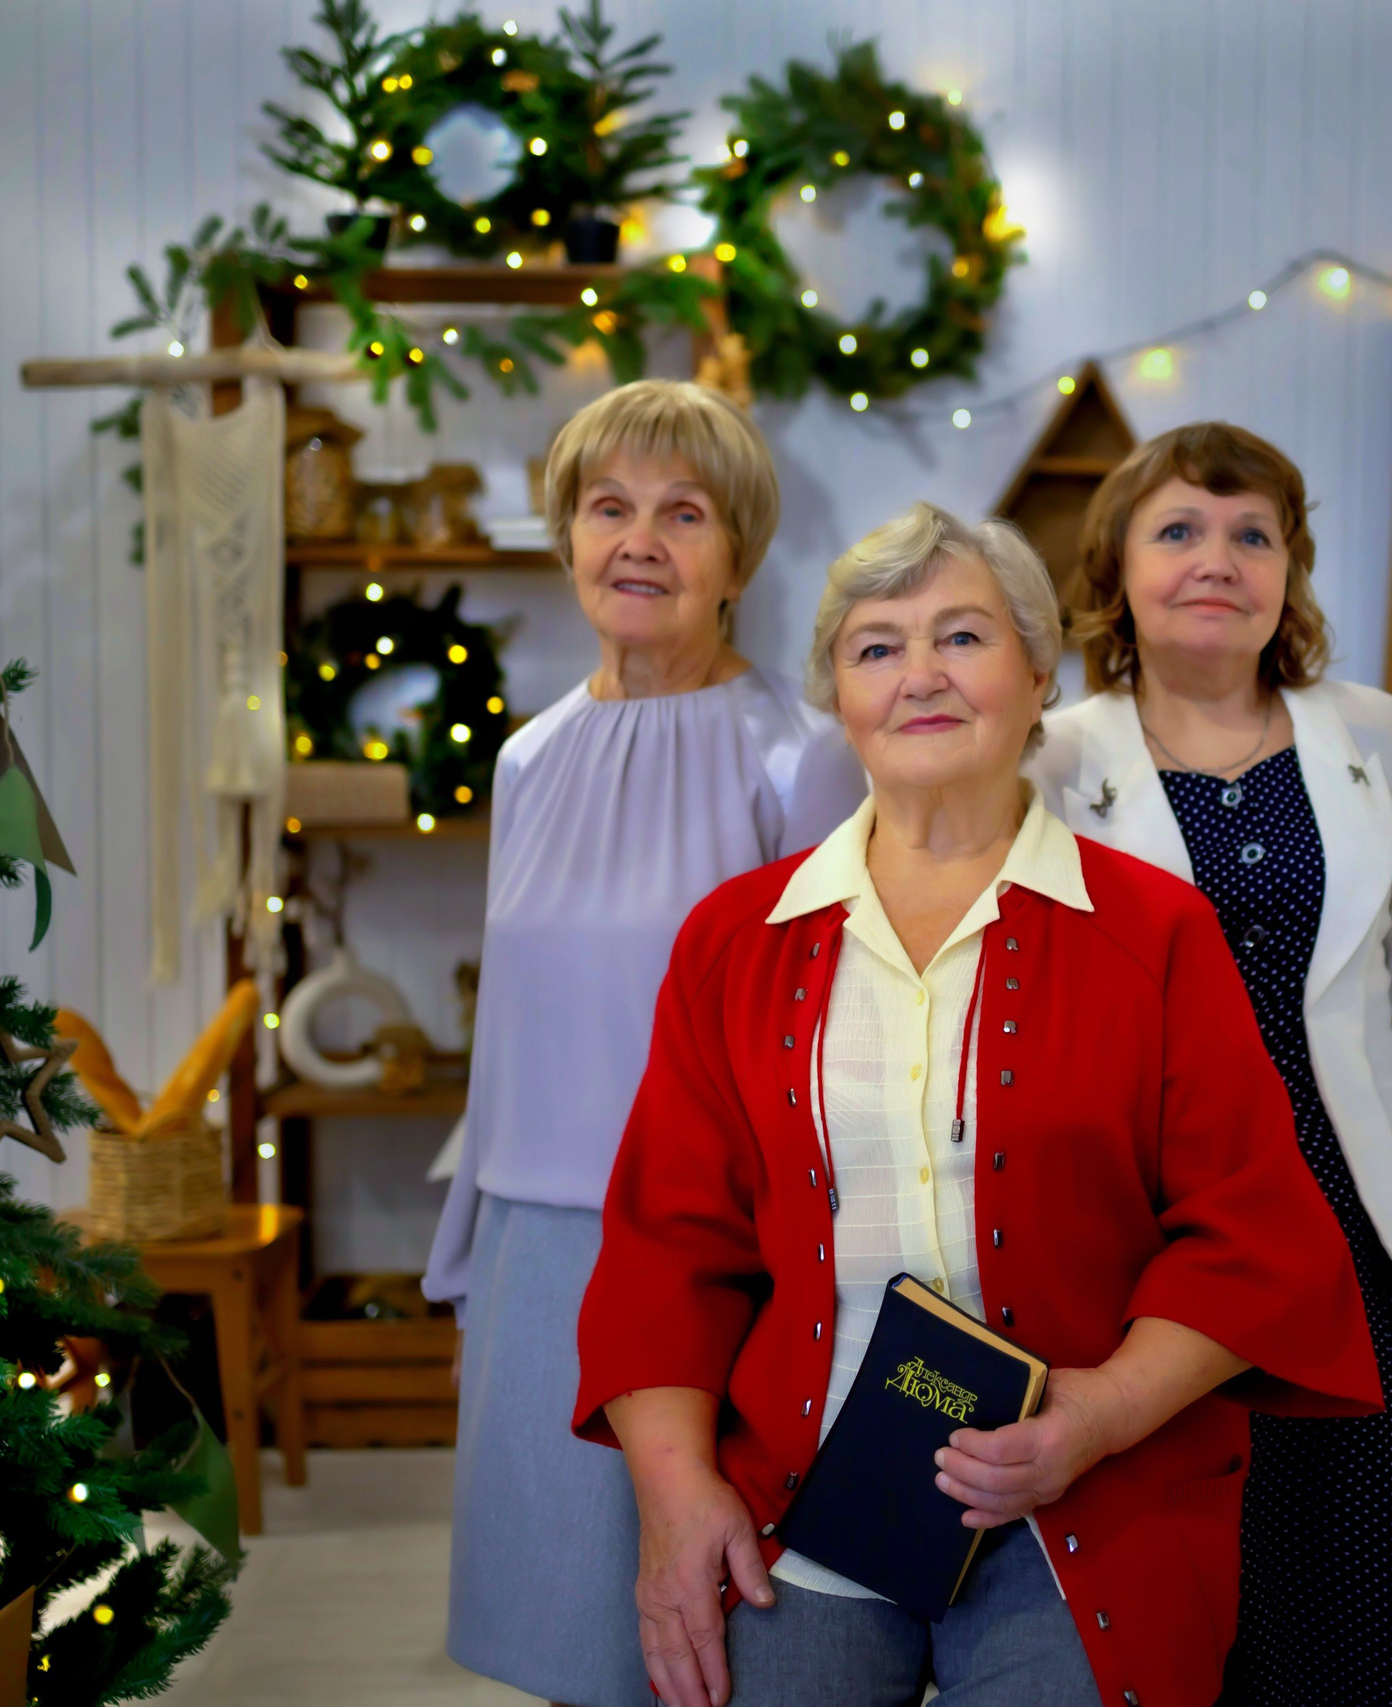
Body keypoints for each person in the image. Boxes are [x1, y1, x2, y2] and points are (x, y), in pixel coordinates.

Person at [574, 503, 1380, 1707]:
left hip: (1087, 1500)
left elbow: (1250, 1237)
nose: (921, 678)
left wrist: (1095, 1419)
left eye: (963, 636)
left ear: (1037, 673)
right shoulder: (733, 942)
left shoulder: (1157, 932)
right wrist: (675, 1493)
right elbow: (665, 1250)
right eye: (877, 647)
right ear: (838, 695)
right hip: (803, 1501)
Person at [1029, 422, 1392, 1707]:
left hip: (1360, 1238)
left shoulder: (1377, 737)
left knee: (1365, 1607)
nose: (1218, 560)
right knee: (1190, 1589)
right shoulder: (1052, 759)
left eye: (1254, 535)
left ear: (1290, 572)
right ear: (1118, 570)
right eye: (1179, 531)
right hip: (1164, 1252)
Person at [422, 379, 863, 1707]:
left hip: (712, 1250)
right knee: (568, 1644)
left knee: (710, 1641)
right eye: (608, 507)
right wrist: (467, 1249)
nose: (640, 540)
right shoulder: (529, 757)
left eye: (684, 513)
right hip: (536, 1247)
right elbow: (509, 1019)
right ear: (566, 537)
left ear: (739, 554)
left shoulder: (803, 757)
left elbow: (828, 1032)